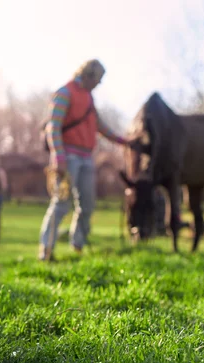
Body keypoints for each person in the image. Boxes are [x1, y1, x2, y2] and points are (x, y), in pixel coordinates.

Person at [39, 59, 139, 261]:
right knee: (61, 203)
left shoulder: (89, 98)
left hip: (86, 157)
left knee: (87, 205)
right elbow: (53, 127)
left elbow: (100, 126)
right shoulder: (65, 93)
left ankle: (77, 246)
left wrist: (123, 141)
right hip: (67, 155)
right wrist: (58, 156)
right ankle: (46, 250)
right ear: (88, 75)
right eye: (98, 79)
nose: (99, 84)